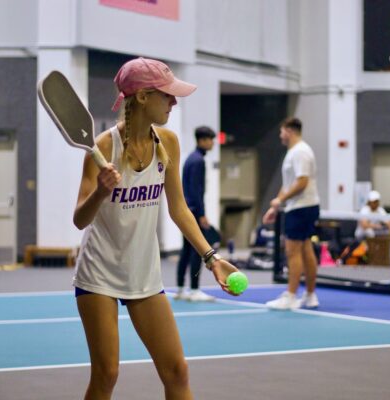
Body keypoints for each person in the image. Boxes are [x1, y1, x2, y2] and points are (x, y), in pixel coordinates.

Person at [72, 57, 240, 399]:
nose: (174, 102)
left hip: (144, 274)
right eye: (168, 95)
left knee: (177, 371)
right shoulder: (103, 146)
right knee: (107, 374)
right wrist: (102, 191)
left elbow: (179, 209)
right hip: (99, 274)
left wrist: (211, 258)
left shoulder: (169, 143)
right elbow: (80, 219)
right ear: (144, 97)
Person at [262, 117, 320, 310]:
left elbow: (301, 182)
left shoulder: (300, 152)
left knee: (292, 251)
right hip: (302, 206)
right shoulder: (294, 152)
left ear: (289, 131)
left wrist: (280, 200)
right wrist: (275, 207)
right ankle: (310, 296)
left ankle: (291, 296)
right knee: (305, 249)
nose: (280, 135)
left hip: (302, 207)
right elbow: (289, 184)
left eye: (281, 132)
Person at [175, 126, 217, 302]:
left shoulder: (190, 159)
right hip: (194, 211)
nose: (212, 143)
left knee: (186, 250)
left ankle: (179, 289)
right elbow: (196, 191)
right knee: (197, 251)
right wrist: (201, 214)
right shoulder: (198, 161)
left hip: (188, 210)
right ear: (201, 140)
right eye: (210, 139)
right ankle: (194, 290)